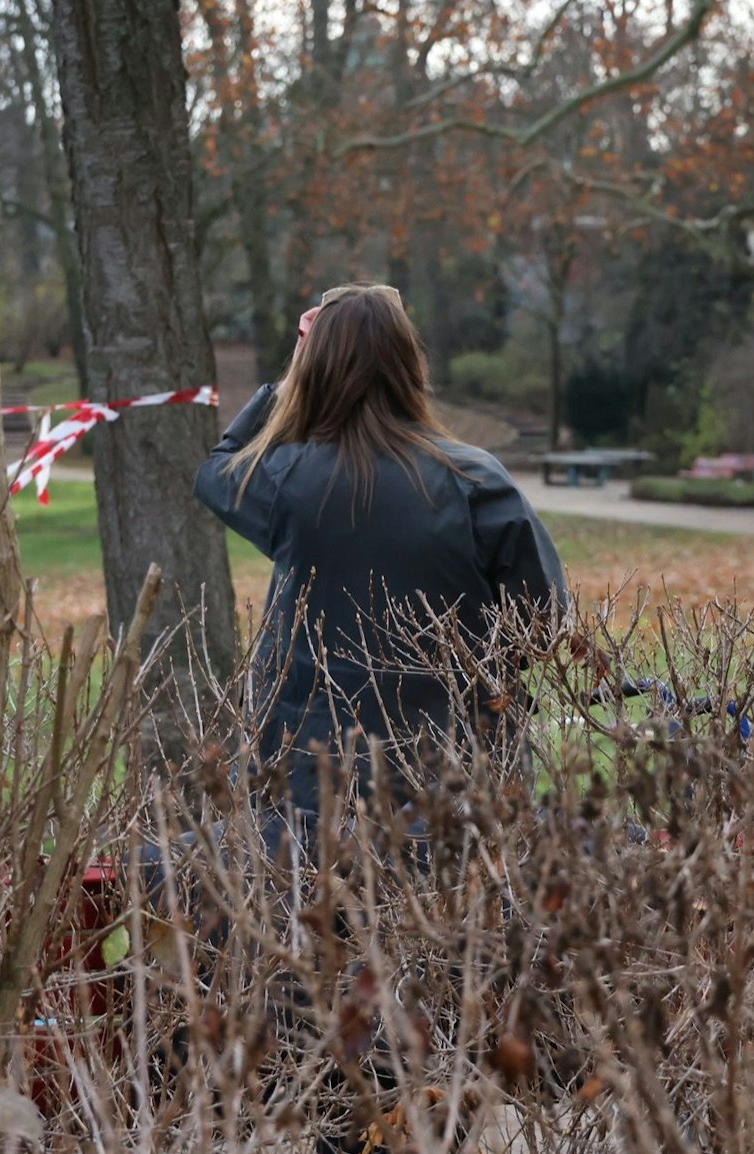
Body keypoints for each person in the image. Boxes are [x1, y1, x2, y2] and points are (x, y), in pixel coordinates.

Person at [195, 282, 569, 827]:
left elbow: (216, 469)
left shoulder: (288, 483)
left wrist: (285, 384)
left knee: (313, 907)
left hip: (313, 780)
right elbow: (544, 622)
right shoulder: (475, 479)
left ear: (314, 369)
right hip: (456, 773)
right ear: (409, 364)